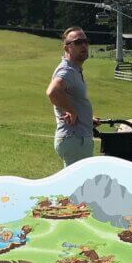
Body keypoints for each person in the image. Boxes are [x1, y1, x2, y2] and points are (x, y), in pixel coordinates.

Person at [46, 27, 100, 167]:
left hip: (76, 138)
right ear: (67, 48)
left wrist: (87, 118)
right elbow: (53, 91)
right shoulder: (67, 70)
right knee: (78, 187)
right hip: (75, 138)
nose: (84, 45)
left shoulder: (74, 70)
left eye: (86, 41)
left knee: (76, 186)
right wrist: (72, 111)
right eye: (78, 42)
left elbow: (70, 97)